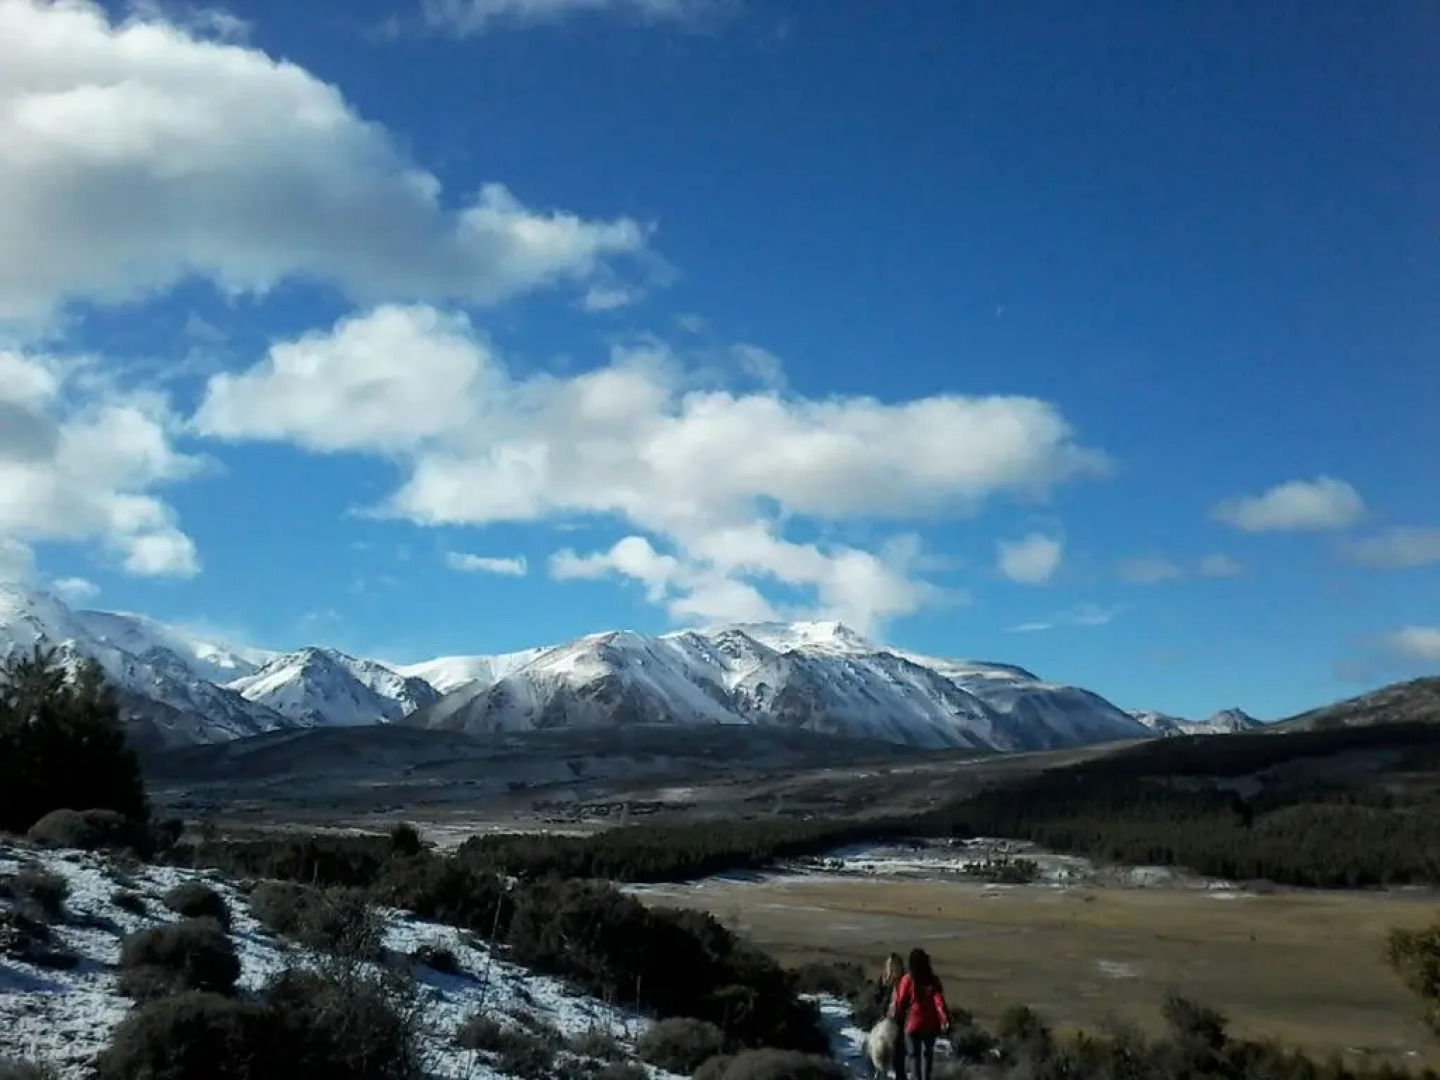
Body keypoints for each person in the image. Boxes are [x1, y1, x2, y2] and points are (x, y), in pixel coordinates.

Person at [890, 947, 949, 1080]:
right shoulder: (933, 980)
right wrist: (944, 1018)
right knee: (927, 1055)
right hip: (931, 1025)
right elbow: (938, 1000)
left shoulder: (908, 979)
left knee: (913, 1056)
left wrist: (897, 1018)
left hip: (912, 1025)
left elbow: (900, 1001)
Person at [870, 953, 907, 1080]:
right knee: (877, 1054)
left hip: (899, 1025)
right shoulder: (884, 979)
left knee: (898, 1061)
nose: (892, 969)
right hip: (884, 1023)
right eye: (890, 966)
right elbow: (877, 998)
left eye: (895, 966)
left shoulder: (905, 981)